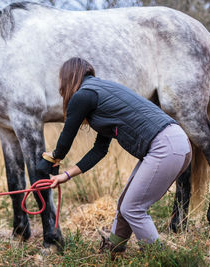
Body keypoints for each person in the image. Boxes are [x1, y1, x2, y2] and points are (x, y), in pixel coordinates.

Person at [46, 57, 191, 255]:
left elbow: (65, 139)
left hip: (165, 146)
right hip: (175, 142)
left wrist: (53, 157)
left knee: (133, 208)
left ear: (68, 79)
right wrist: (66, 175)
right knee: (125, 204)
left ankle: (161, 259)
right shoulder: (101, 93)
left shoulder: (83, 95)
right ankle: (113, 251)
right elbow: (99, 150)